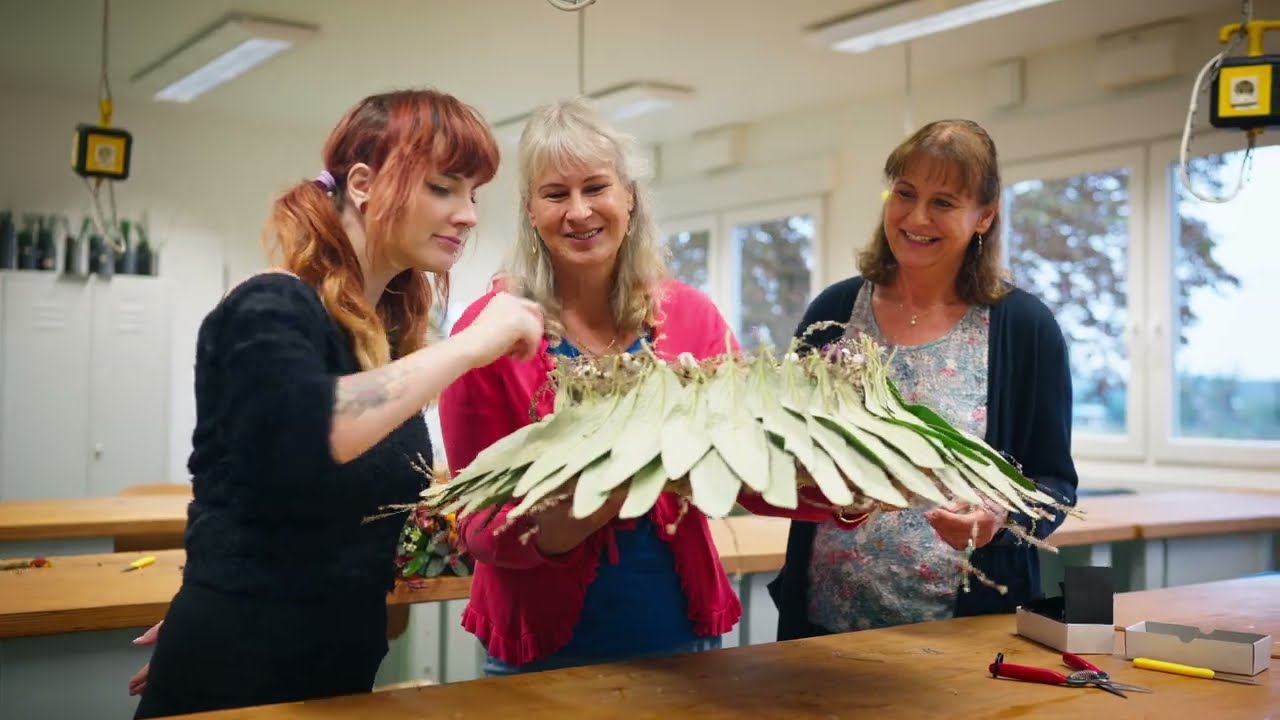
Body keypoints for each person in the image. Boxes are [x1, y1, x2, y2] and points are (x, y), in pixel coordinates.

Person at [129, 89, 544, 718]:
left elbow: (319, 511)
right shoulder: (269, 306)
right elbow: (317, 427)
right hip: (238, 677)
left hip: (333, 672)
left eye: (473, 195)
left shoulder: (376, 341)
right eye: (442, 187)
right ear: (362, 184)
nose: (467, 215)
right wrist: (473, 345)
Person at [437, 99, 861, 676]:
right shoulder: (490, 333)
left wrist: (846, 494)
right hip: (541, 652)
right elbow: (477, 523)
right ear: (530, 211)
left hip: (677, 636)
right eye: (556, 193)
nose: (579, 211)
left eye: (597, 187)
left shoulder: (692, 318)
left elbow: (751, 472)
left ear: (629, 196)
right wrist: (588, 505)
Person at [768, 119, 1078, 640]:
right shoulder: (836, 309)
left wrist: (998, 518)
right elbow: (783, 442)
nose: (916, 217)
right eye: (904, 194)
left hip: (965, 636)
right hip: (824, 625)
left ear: (985, 216)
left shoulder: (1023, 329)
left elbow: (1055, 485)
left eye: (943, 202)